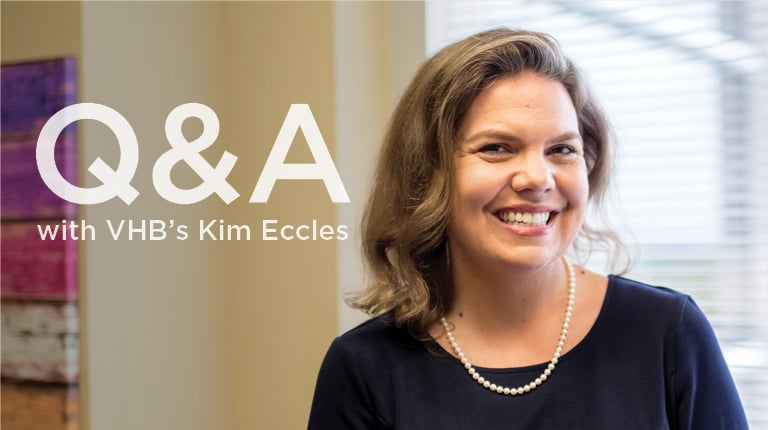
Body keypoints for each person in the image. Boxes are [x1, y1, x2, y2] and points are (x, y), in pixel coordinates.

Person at [308, 28, 748, 429]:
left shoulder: (667, 333)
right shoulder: (364, 368)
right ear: (428, 174)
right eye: (497, 148)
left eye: (561, 149)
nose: (538, 178)